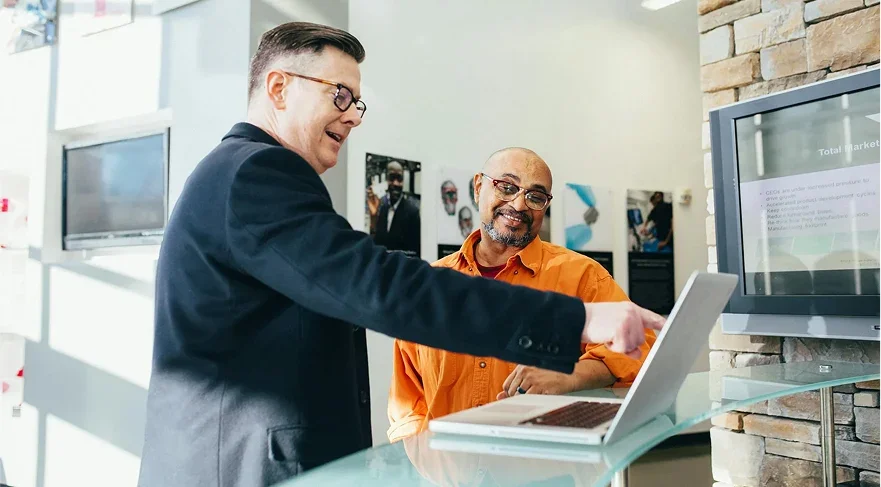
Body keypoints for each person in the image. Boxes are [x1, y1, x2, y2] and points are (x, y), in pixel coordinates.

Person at [138, 22, 664, 487]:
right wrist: (579, 320)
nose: (353, 116)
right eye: (340, 96)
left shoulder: (240, 174)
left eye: (356, 102)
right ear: (278, 87)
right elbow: (379, 287)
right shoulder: (256, 174)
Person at [386, 148, 656, 442]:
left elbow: (642, 349)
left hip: (545, 471)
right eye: (507, 186)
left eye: (535, 196)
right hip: (448, 474)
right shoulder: (431, 286)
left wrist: (570, 375)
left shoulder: (582, 276)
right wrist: (423, 464)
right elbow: (407, 402)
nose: (518, 204)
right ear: (479, 187)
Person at [368, 161, 421, 256]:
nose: (395, 183)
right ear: (386, 180)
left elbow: (415, 252)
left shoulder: (413, 212)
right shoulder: (382, 208)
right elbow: (377, 244)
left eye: (399, 179)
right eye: (392, 178)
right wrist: (374, 217)